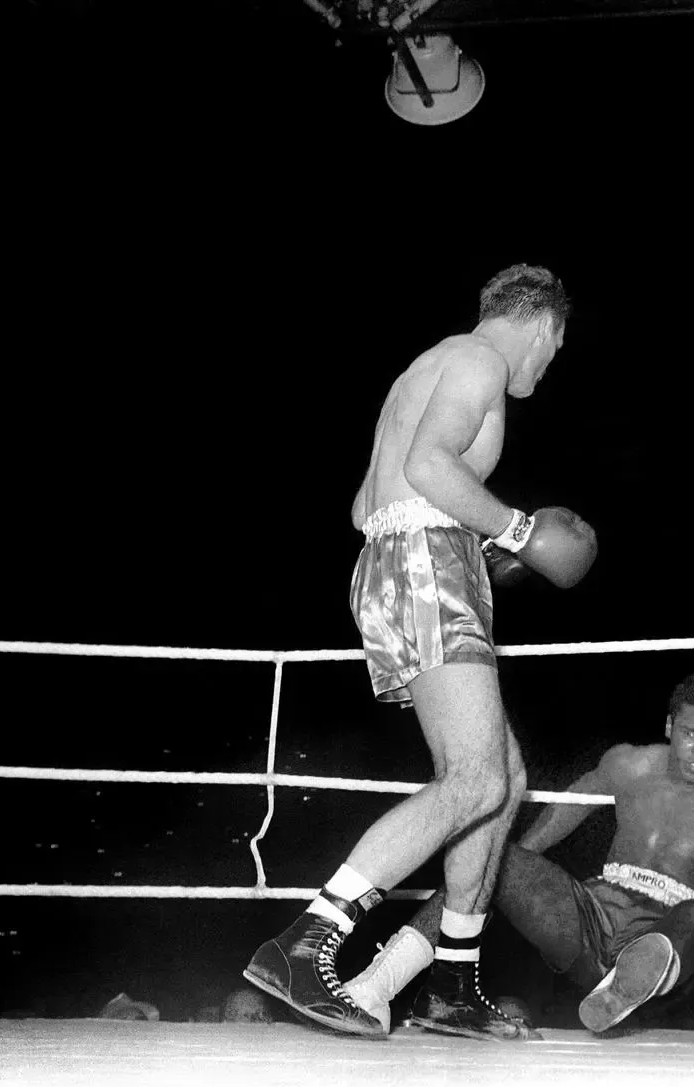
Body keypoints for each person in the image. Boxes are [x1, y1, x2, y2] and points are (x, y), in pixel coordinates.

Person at [243, 264, 597, 1042]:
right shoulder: (478, 360)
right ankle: (307, 944)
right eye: (554, 350)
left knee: (502, 783)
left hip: (409, 561)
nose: (547, 367)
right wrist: (514, 531)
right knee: (474, 778)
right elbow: (428, 468)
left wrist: (466, 540)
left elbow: (367, 500)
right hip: (426, 565)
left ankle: (451, 980)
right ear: (545, 326)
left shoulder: (426, 367)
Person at [342, 673, 694, 1036]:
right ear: (669, 725)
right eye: (690, 734)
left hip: (675, 947)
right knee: (491, 856)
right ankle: (381, 980)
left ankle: (633, 984)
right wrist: (503, 869)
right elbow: (532, 843)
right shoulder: (624, 767)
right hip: (591, 926)